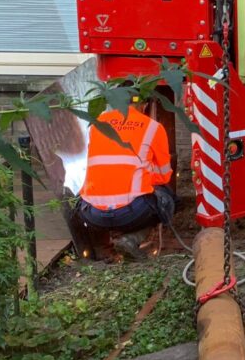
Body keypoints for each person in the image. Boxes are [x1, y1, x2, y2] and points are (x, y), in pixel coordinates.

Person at [75, 96, 177, 257]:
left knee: (80, 198)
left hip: (93, 214)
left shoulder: (97, 124)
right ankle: (132, 239)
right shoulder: (152, 127)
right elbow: (163, 176)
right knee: (167, 197)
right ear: (143, 105)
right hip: (131, 213)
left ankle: (101, 248)